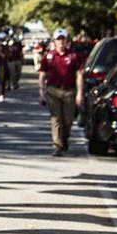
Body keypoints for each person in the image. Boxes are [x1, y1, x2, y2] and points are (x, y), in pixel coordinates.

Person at [38, 28, 85, 156]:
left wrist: (80, 93)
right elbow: (42, 75)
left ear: (66, 41)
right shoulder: (49, 57)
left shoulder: (73, 56)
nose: (61, 42)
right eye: (58, 39)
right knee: (56, 119)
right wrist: (41, 92)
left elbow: (79, 75)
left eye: (63, 39)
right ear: (54, 41)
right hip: (53, 90)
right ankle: (57, 145)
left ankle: (64, 138)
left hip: (69, 91)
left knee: (68, 120)